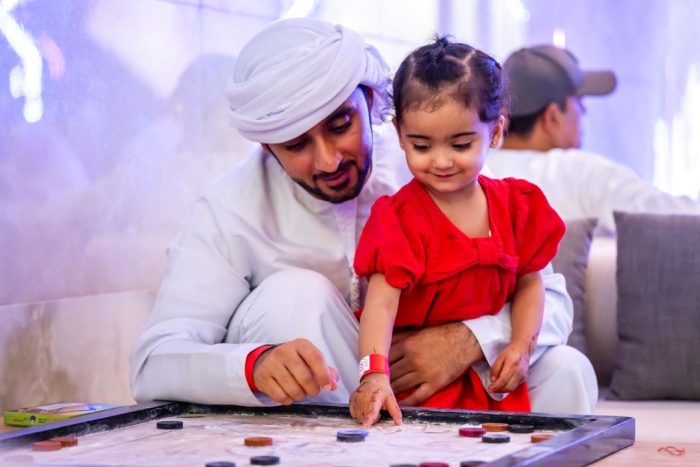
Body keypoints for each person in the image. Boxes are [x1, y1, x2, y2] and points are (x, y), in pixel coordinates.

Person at [130, 18, 597, 415]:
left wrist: (468, 340)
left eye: (340, 125)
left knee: (568, 372)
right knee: (298, 294)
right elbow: (154, 362)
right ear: (266, 145)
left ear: (371, 104)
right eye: (296, 145)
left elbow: (548, 296)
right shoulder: (230, 208)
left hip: (438, 388)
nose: (329, 160)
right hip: (325, 405)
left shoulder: (433, 160)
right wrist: (252, 365)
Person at [349, 38, 565, 427]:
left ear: (496, 130)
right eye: (421, 145)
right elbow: (380, 305)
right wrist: (373, 373)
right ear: (400, 134)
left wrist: (521, 345)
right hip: (420, 386)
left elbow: (530, 283)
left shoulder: (518, 207)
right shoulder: (398, 219)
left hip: (491, 377)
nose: (442, 161)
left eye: (461, 144)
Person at [487, 44, 700, 235]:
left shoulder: (478, 173)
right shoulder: (580, 173)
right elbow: (679, 217)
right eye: (578, 102)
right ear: (552, 118)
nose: (585, 111)